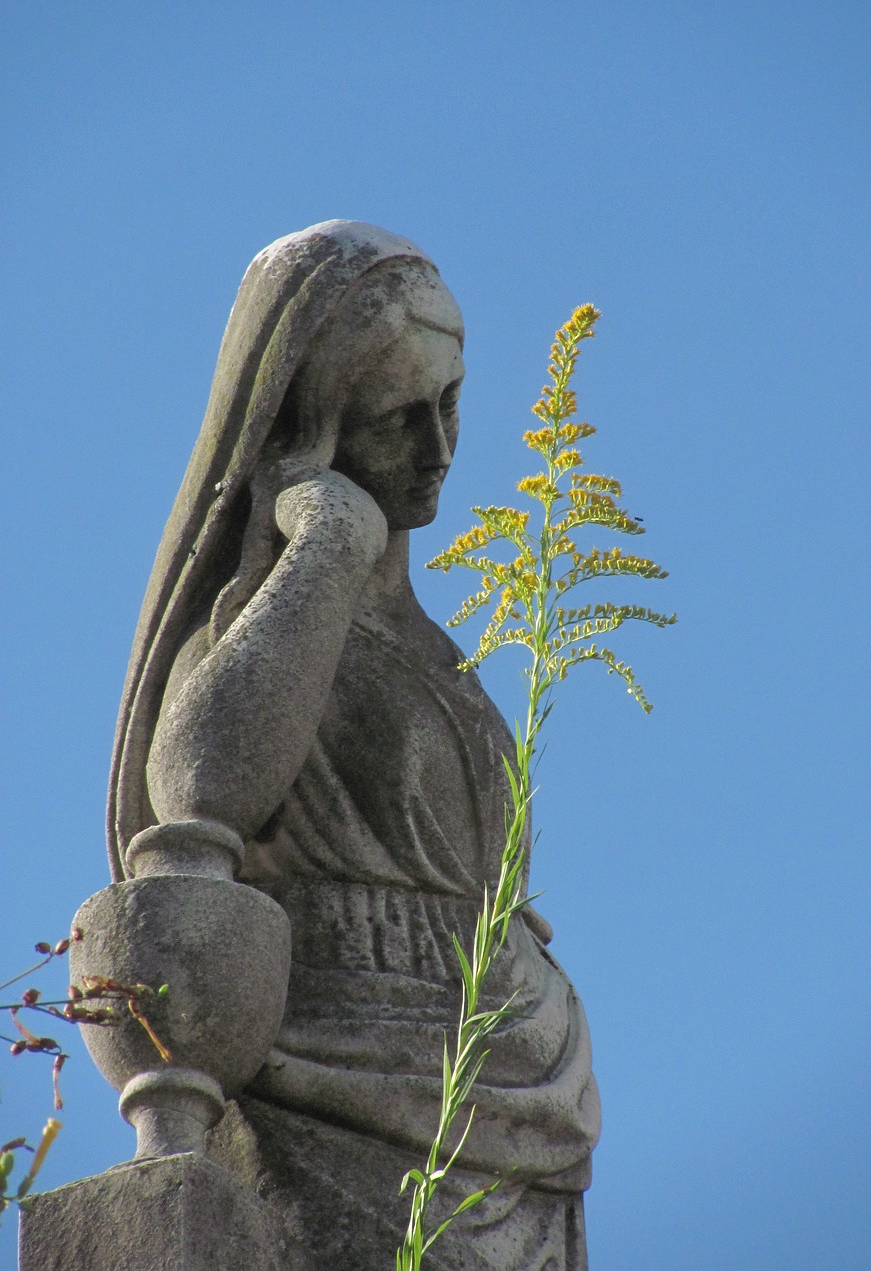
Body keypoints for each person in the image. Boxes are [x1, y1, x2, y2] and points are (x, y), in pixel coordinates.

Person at [107, 221, 599, 1270]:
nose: (439, 449)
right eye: (396, 418)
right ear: (312, 424)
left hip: (520, 1098)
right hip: (331, 1084)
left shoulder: (446, 666)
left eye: (452, 402)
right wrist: (328, 543)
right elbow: (193, 790)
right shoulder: (261, 619)